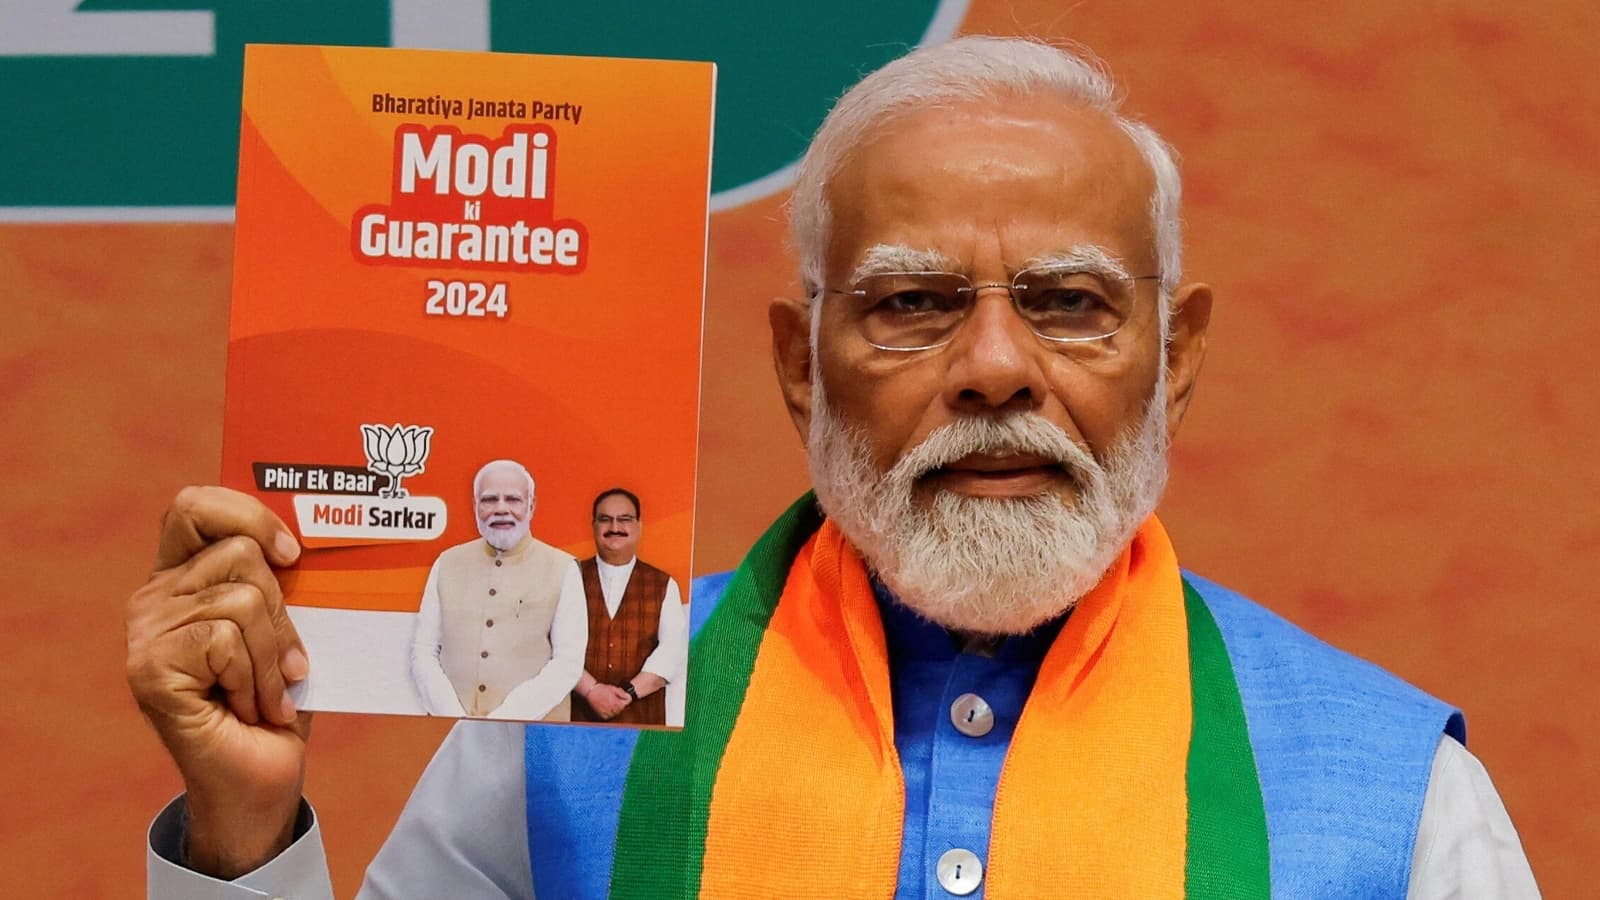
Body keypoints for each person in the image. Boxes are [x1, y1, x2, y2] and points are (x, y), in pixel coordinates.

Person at [128, 36, 1539, 898]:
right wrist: (242, 838)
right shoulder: (562, 727)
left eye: (1070, 304)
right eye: (914, 303)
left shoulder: (1396, 793)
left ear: (1174, 356)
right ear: (802, 364)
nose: (995, 368)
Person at [408, 459, 586, 720]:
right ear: (475, 505)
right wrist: (454, 718)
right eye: (490, 500)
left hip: (533, 735)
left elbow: (567, 664)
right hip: (453, 732)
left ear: (531, 506)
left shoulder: (562, 568)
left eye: (513, 499)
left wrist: (504, 720)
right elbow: (424, 651)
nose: (501, 509)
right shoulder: (447, 563)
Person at [570, 488, 687, 726]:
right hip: (575, 719)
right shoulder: (568, 578)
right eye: (605, 519)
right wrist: (591, 691)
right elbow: (553, 648)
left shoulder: (663, 584)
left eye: (624, 519)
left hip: (642, 723)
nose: (615, 527)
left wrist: (627, 695)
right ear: (594, 526)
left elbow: (672, 652)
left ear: (639, 526)